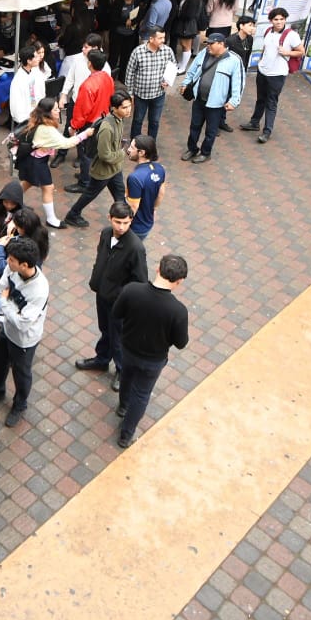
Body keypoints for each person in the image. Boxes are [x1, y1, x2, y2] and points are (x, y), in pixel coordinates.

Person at [112, 253, 189, 447]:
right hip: (153, 360)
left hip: (128, 349)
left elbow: (116, 313)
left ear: (158, 269)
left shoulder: (132, 291)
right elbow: (181, 343)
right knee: (142, 394)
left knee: (126, 378)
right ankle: (126, 434)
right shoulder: (178, 311)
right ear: (179, 281)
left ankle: (122, 407)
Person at [74, 202, 148, 389]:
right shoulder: (106, 234)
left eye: (125, 222)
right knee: (105, 330)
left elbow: (139, 281)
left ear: (131, 221)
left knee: (118, 338)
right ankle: (102, 359)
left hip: (119, 302)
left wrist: (122, 298)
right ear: (109, 218)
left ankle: (122, 370)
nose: (121, 227)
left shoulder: (135, 248)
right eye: (117, 222)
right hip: (102, 294)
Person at [0, 236, 48, 429]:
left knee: (22, 373)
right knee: (0, 358)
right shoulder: (12, 269)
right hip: (7, 327)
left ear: (24, 264)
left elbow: (23, 323)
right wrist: (7, 308)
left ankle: (20, 404)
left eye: (11, 260)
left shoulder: (39, 290)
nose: (7, 262)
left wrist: (4, 304)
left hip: (24, 340)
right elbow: (0, 288)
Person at [16, 97, 92, 227]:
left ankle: (8, 202)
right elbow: (66, 143)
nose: (59, 110)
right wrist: (85, 134)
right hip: (36, 161)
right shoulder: (47, 129)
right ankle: (51, 219)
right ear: (48, 112)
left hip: (32, 159)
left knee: (27, 183)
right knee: (48, 188)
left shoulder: (38, 121)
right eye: (56, 109)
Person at [62, 93, 132, 228]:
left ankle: (125, 218)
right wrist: (122, 154)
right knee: (89, 194)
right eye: (124, 107)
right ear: (114, 108)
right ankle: (73, 215)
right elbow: (105, 155)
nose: (128, 110)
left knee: (120, 196)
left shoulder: (120, 119)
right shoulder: (107, 128)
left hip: (115, 168)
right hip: (103, 171)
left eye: (129, 106)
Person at [239, 7, 304, 143]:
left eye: (282, 19)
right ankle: (254, 122)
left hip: (277, 74)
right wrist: (261, 62)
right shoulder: (268, 31)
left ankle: (267, 131)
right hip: (263, 71)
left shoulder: (291, 35)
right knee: (260, 99)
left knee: (271, 102)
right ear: (271, 21)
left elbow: (301, 51)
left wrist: (287, 53)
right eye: (276, 19)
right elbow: (266, 48)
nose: (279, 22)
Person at [180, 33, 245, 164]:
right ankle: (192, 149)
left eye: (211, 44)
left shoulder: (234, 60)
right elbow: (192, 70)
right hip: (199, 99)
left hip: (216, 103)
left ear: (221, 44)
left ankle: (205, 152)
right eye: (208, 43)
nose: (208, 46)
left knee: (211, 131)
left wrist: (234, 101)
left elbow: (239, 82)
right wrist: (185, 83)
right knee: (194, 126)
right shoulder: (204, 53)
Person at [64, 48, 114, 195]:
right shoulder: (107, 77)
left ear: (90, 64)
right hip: (103, 119)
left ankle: (84, 182)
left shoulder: (88, 85)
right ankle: (87, 176)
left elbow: (81, 110)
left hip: (89, 123)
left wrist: (73, 126)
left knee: (85, 153)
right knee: (93, 151)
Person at [124, 28, 175, 156]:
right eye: (160, 38)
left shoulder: (167, 51)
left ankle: (151, 146)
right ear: (151, 39)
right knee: (138, 120)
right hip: (141, 94)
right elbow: (130, 73)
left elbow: (173, 66)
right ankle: (134, 145)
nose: (163, 40)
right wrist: (130, 94)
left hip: (158, 94)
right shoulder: (138, 52)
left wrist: (168, 81)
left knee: (154, 121)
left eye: (164, 38)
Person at [124, 135, 166, 241]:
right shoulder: (160, 169)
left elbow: (133, 206)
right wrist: (154, 210)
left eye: (132, 148)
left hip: (135, 227)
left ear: (141, 152)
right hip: (147, 222)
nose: (128, 150)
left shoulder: (135, 178)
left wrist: (123, 226)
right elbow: (161, 192)